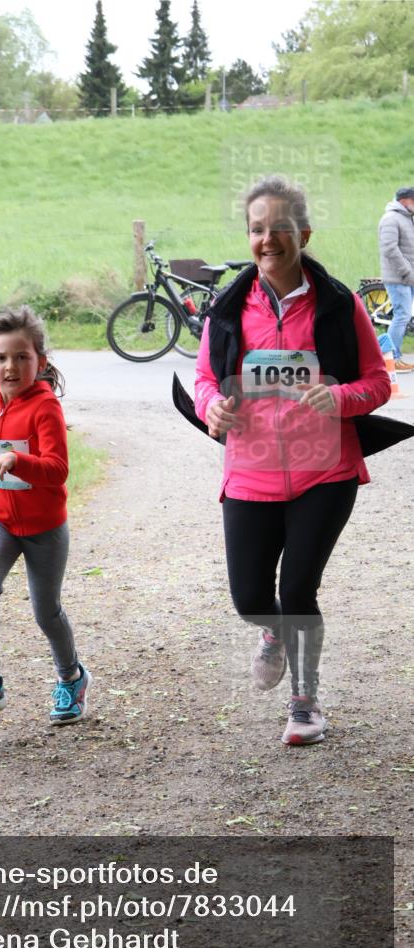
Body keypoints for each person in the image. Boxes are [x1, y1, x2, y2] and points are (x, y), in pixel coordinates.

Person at [182, 175, 413, 746]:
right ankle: (274, 632)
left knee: (300, 589)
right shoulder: (229, 308)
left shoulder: (338, 305)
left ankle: (305, 704)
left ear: (303, 234)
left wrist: (339, 397)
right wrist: (212, 408)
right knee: (250, 598)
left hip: (325, 471)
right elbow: (205, 378)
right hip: (250, 470)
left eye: (280, 228)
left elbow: (378, 382)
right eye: (257, 229)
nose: (268, 239)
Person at [0, 305, 91, 726]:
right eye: (2, 357)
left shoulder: (45, 408)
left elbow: (57, 469)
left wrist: (17, 460)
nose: (11, 366)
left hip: (44, 527)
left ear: (40, 363)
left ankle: (72, 678)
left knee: (46, 611)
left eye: (22, 357)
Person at [378, 185, 414, 372]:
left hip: (408, 277)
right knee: (402, 316)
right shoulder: (391, 219)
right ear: (404, 200)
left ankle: (395, 357)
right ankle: (390, 359)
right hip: (399, 277)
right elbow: (390, 249)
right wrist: (407, 272)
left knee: (403, 316)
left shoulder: (406, 218)